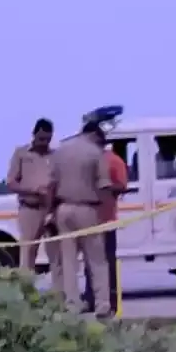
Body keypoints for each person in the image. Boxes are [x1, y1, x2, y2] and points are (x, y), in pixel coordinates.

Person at [49, 119, 115, 317]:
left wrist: (51, 212)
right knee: (97, 260)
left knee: (68, 260)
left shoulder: (60, 150)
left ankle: (72, 303)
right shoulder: (95, 152)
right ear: (94, 135)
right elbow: (104, 185)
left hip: (63, 208)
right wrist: (104, 213)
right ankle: (102, 304)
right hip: (87, 208)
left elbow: (51, 184)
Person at [84, 139, 129, 315]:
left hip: (107, 219)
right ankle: (91, 299)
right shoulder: (85, 160)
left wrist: (104, 188)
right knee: (89, 261)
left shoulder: (114, 160)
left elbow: (122, 185)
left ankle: (111, 300)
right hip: (88, 220)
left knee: (108, 261)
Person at [6, 118, 55, 274]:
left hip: (51, 210)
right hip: (29, 210)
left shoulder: (55, 156)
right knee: (28, 254)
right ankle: (26, 285)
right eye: (41, 139)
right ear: (34, 135)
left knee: (56, 253)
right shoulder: (21, 154)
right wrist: (33, 190)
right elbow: (11, 183)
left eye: (47, 139)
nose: (44, 143)